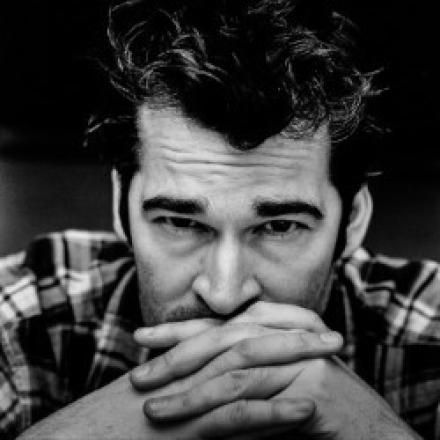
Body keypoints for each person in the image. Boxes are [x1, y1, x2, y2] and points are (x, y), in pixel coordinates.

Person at [0, 0, 438, 438]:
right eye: (181, 222)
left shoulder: (428, 334)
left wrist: (378, 431)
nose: (225, 295)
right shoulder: (26, 320)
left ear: (353, 219)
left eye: (279, 227)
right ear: (122, 204)